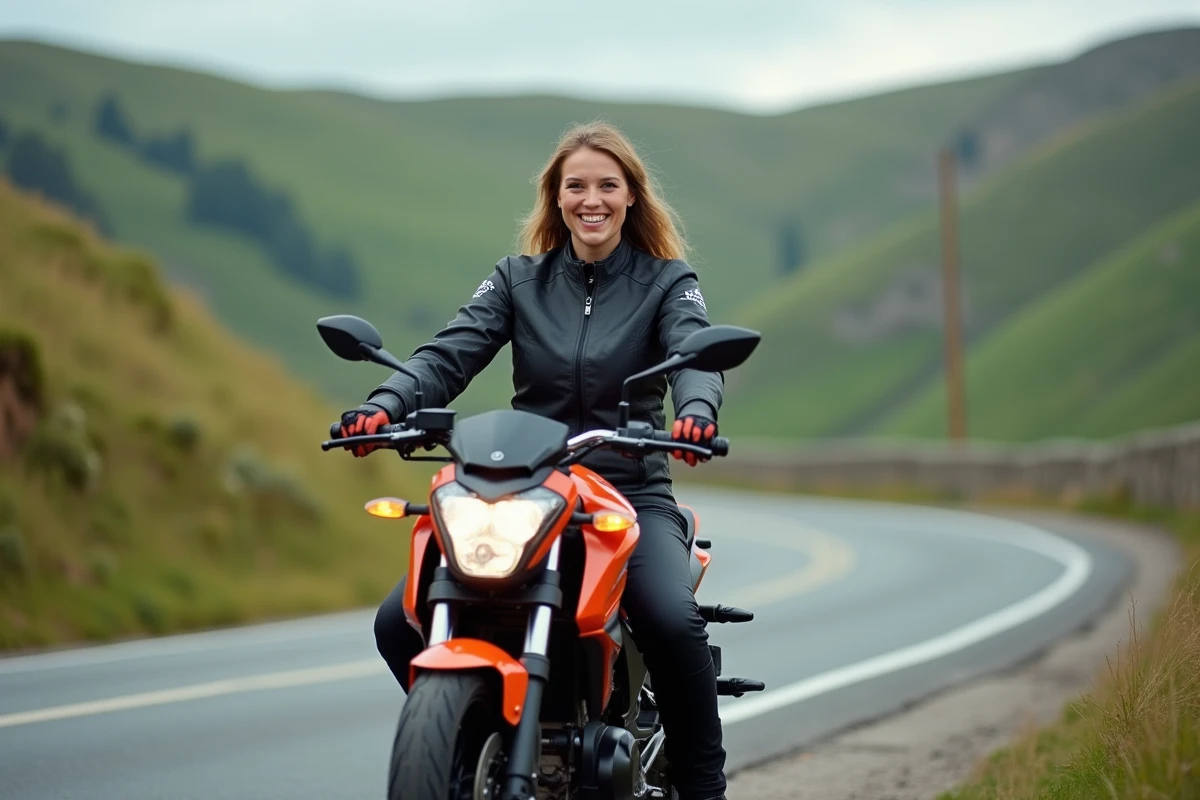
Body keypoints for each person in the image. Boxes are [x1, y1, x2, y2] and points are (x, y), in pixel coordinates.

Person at [338, 120, 728, 800]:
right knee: (397, 621)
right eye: (576, 186)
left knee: (670, 619)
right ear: (556, 197)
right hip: (528, 490)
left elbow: (695, 353)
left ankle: (703, 788)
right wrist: (387, 403)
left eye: (607, 186)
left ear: (631, 196)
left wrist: (696, 410)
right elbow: (449, 353)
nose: (591, 200)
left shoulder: (668, 283)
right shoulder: (517, 280)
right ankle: (468, 735)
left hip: (629, 491)